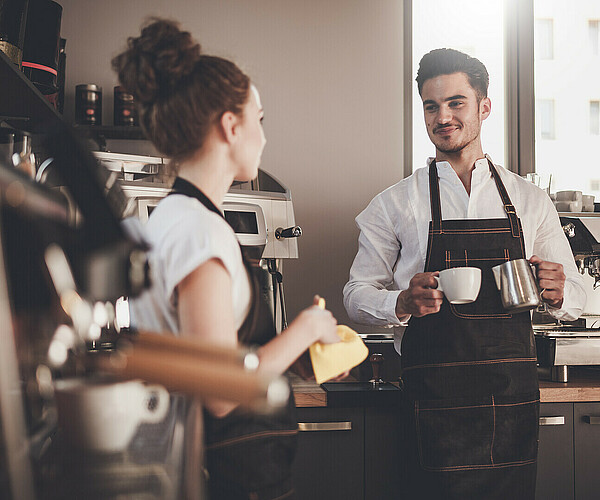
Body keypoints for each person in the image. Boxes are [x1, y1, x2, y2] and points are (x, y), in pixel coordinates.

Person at [113, 18, 341, 500]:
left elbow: (206, 357)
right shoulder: (202, 234)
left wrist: (287, 359)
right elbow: (219, 392)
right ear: (230, 125)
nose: (263, 135)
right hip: (228, 478)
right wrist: (308, 328)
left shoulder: (170, 219)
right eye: (259, 119)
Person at [343, 48, 586, 499]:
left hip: (512, 400)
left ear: (484, 106)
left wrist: (558, 292)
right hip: (434, 400)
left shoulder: (530, 201)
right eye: (431, 106)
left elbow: (578, 293)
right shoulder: (395, 203)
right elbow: (356, 293)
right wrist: (399, 302)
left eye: (457, 102)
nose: (443, 116)